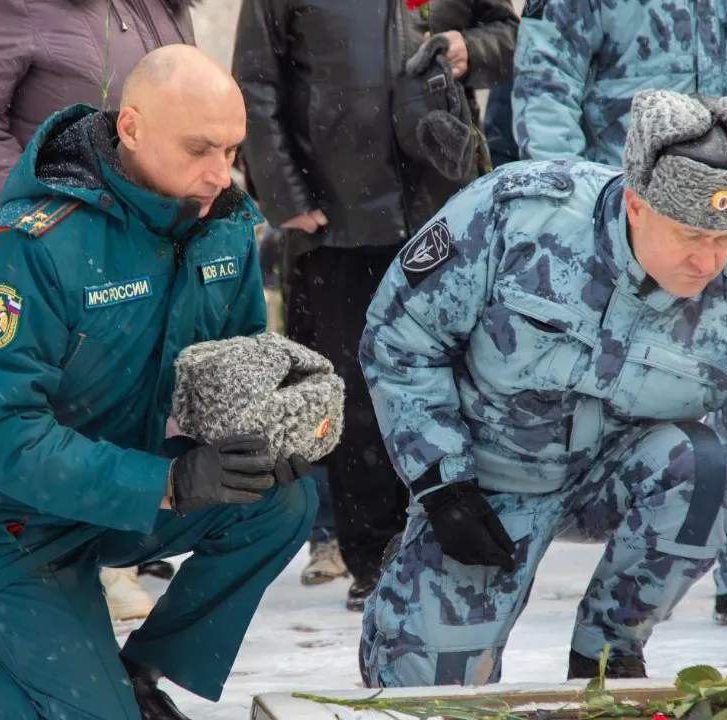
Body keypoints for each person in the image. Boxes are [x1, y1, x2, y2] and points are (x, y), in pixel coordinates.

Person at [357, 90, 727, 687]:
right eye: (690, 235)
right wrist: (443, 483)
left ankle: (608, 653)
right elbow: (401, 338)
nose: (708, 261)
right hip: (484, 484)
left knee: (703, 466)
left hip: (614, 478)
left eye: (725, 237)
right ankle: (413, 584)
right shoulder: (519, 216)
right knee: (428, 693)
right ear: (637, 205)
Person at [0, 46, 315, 720]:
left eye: (231, 150)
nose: (221, 173)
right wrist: (169, 483)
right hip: (0, 519)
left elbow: (231, 370)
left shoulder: (221, 229)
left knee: (279, 501)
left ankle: (136, 680)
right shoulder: (27, 250)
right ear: (131, 127)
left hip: (114, 493)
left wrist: (268, 431)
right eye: (199, 149)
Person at [513, 0, 727, 626]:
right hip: (631, 225)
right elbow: (548, 83)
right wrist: (565, 200)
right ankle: (615, 576)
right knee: (626, 400)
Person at [234, 0, 518, 611]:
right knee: (357, 398)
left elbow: (510, 36)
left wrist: (470, 50)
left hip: (443, 204)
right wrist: (283, 194)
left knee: (458, 381)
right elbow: (255, 81)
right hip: (337, 217)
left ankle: (455, 540)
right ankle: (375, 556)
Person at [0, 0, 199, 618]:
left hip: (132, 250)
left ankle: (107, 566)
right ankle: (27, 577)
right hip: (30, 261)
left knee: (119, 401)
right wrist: (46, 218)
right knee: (30, 416)